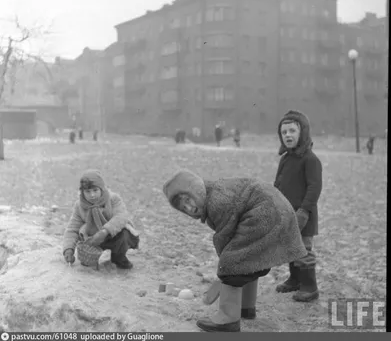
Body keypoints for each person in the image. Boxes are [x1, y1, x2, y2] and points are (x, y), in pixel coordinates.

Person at [162, 169, 307, 332]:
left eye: (188, 200)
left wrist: (224, 270)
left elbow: (224, 236)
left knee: (233, 262)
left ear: (196, 190)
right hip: (276, 211)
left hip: (266, 214)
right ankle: (246, 308)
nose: (189, 207)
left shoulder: (216, 201)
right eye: (183, 207)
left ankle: (227, 318)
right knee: (248, 261)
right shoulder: (212, 195)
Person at [274, 110, 322, 302]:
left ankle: (310, 286)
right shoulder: (286, 159)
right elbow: (278, 184)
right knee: (291, 248)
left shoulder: (310, 159)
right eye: (284, 132)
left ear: (302, 132)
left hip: (304, 215)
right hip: (287, 213)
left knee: (303, 249)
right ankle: (295, 279)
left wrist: (303, 211)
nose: (288, 135)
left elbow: (314, 188)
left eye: (292, 131)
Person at [63, 169, 140, 269]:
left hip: (114, 236)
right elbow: (72, 229)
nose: (92, 195)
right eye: (87, 191)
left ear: (102, 189)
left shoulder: (113, 199)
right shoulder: (79, 206)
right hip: (94, 238)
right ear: (82, 192)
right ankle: (91, 260)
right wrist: (68, 249)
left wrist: (104, 231)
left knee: (124, 232)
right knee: (87, 265)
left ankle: (118, 257)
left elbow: (121, 216)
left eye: (95, 190)